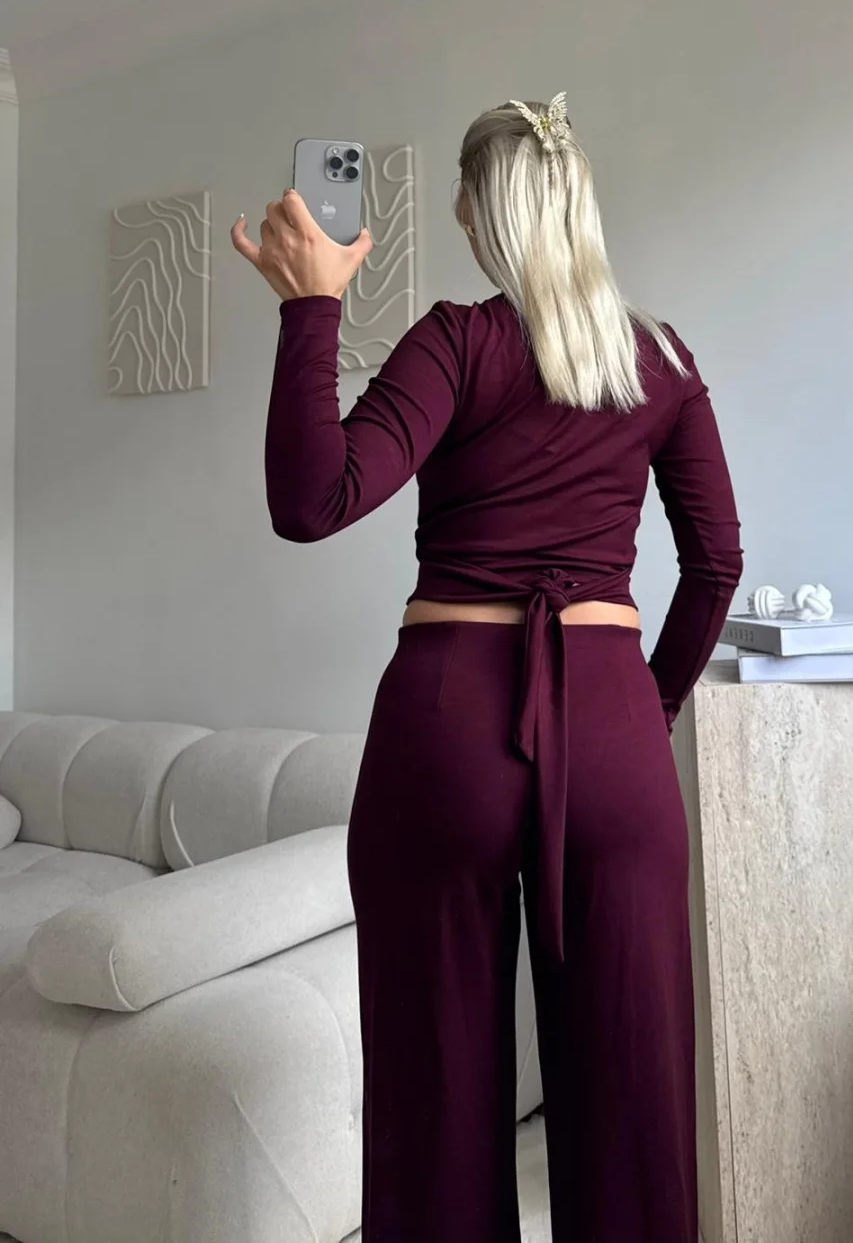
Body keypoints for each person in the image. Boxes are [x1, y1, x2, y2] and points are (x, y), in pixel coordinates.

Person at [231, 93, 743, 1243]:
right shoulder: (660, 360)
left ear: (476, 212)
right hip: (609, 731)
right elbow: (717, 564)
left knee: (437, 1093)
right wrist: (642, 710)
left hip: (446, 726)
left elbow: (312, 502)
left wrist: (312, 306)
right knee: (632, 1109)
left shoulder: (456, 342)